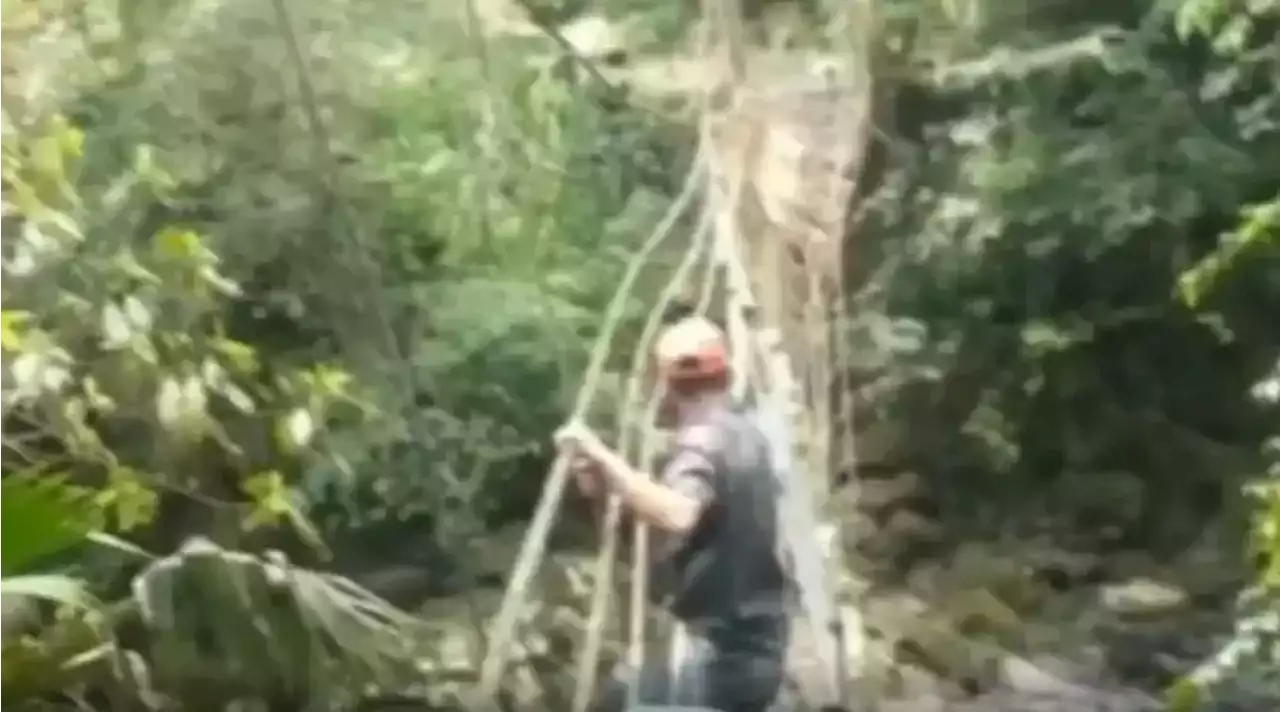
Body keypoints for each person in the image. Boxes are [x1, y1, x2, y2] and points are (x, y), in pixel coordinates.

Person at [554, 315, 791, 712]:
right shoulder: (748, 432)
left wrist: (599, 454)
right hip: (759, 649)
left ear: (664, 385)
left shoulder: (702, 441)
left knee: (618, 701)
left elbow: (679, 515)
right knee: (622, 693)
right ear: (728, 373)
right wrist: (603, 492)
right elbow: (672, 543)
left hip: (720, 659)